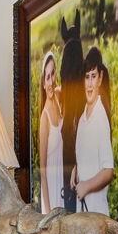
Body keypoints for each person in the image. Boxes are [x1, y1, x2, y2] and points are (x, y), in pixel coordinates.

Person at [72, 45, 116, 214]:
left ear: (100, 78)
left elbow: (108, 171)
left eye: (93, 77)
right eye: (86, 77)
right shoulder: (83, 118)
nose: (89, 84)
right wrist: (77, 168)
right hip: (83, 213)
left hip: (97, 215)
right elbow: (88, 153)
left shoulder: (100, 118)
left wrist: (86, 187)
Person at [35, 50, 70, 213]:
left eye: (52, 74)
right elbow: (42, 170)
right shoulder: (45, 117)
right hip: (51, 189)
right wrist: (47, 210)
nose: (50, 82)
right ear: (43, 83)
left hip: (64, 184)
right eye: (47, 77)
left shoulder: (59, 95)